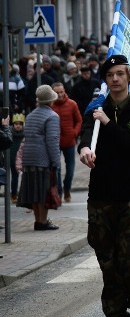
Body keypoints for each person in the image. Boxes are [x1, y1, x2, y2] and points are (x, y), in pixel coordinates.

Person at [78, 55, 130, 317]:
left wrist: (110, 124)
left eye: (120, 73)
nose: (115, 79)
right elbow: (85, 135)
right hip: (101, 197)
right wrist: (84, 148)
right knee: (108, 264)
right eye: (110, 74)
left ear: (129, 77)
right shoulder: (95, 110)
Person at [17, 85, 61, 230]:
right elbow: (52, 141)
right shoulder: (52, 116)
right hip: (43, 159)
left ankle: (38, 221)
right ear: (51, 101)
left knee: (34, 192)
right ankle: (43, 221)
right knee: (44, 192)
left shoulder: (30, 116)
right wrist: (56, 161)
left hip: (29, 158)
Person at [49, 81, 82, 202]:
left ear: (65, 91)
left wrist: (74, 132)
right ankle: (59, 192)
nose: (60, 94)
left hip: (69, 141)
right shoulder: (50, 105)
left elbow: (79, 120)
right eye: (57, 92)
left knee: (70, 170)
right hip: (54, 142)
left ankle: (67, 188)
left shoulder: (72, 104)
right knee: (56, 169)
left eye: (61, 92)